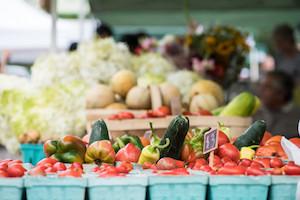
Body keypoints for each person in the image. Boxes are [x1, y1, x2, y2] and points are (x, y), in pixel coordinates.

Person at [254, 71, 300, 138]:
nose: (261, 90)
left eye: (267, 87)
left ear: (281, 94)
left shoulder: (295, 118)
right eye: (262, 85)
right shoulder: (258, 112)